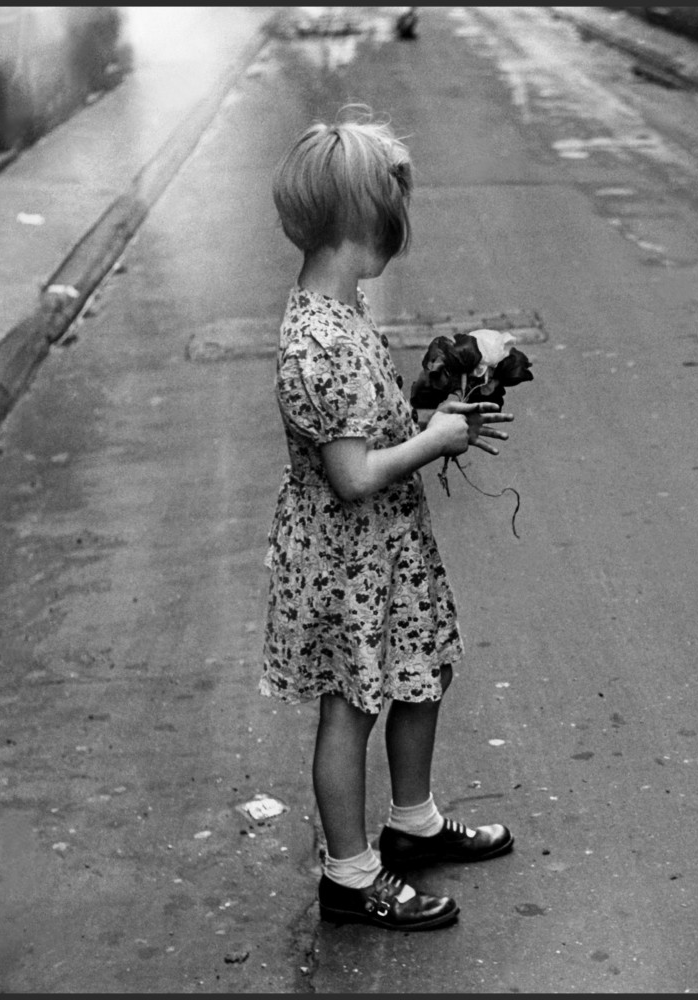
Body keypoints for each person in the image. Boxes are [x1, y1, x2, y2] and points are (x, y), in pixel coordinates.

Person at [260, 107, 515, 931]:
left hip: (388, 549)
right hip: (346, 559)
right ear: (363, 219)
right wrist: (431, 440)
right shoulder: (316, 343)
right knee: (352, 703)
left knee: (421, 671)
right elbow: (353, 473)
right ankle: (350, 872)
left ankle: (412, 825)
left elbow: (371, 429)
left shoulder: (346, 311)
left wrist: (433, 413)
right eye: (390, 207)